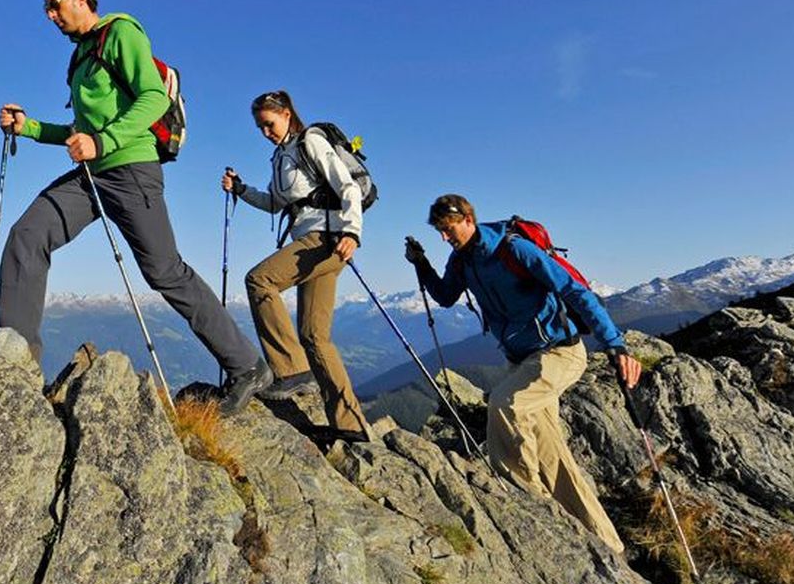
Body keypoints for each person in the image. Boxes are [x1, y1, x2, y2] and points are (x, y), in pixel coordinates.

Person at [0, 0, 272, 415]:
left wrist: (102, 142)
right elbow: (80, 131)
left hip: (131, 169)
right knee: (27, 235)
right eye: (46, 8)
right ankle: (15, 368)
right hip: (92, 175)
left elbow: (153, 99)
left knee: (165, 271)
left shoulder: (120, 33)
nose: (49, 15)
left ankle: (247, 366)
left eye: (54, 4)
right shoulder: (81, 57)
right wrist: (27, 127)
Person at [405, 194, 640, 552]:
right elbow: (446, 296)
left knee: (505, 403)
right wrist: (422, 263)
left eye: (448, 229)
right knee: (553, 457)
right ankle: (608, 545)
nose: (444, 237)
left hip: (559, 353)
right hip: (521, 360)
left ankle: (524, 500)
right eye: (439, 231)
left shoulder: (514, 251)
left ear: (468, 219)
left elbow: (575, 291)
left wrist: (615, 345)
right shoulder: (462, 260)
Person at [221, 90, 373, 442]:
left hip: (326, 239)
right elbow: (276, 203)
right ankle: (350, 427)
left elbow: (347, 186)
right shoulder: (281, 156)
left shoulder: (311, 141)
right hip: (314, 243)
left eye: (269, 124)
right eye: (260, 127)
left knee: (259, 281)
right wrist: (241, 190)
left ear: (287, 114)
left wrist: (353, 231)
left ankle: (290, 368)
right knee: (315, 337)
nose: (265, 132)